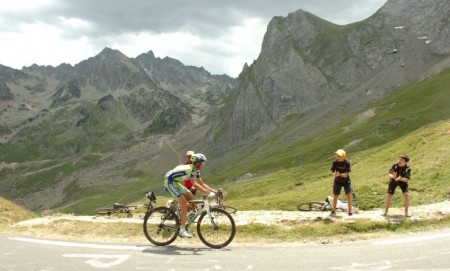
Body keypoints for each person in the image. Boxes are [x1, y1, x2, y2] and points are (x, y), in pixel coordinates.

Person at [163, 153, 215, 238]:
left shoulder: (196, 170)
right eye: (202, 163)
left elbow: (201, 183)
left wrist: (213, 191)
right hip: (170, 182)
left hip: (176, 183)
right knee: (185, 204)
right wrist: (207, 193)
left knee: (192, 198)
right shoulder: (189, 169)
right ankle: (182, 230)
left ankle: (184, 220)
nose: (204, 165)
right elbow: (195, 184)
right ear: (197, 163)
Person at [329, 149, 353, 217]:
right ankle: (333, 211)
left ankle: (350, 212)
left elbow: (346, 175)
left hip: (346, 181)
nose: (337, 157)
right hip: (337, 181)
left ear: (343, 156)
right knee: (335, 195)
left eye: (339, 156)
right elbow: (331, 172)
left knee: (348, 195)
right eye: (337, 155)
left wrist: (339, 174)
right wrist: (334, 174)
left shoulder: (347, 163)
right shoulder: (335, 162)